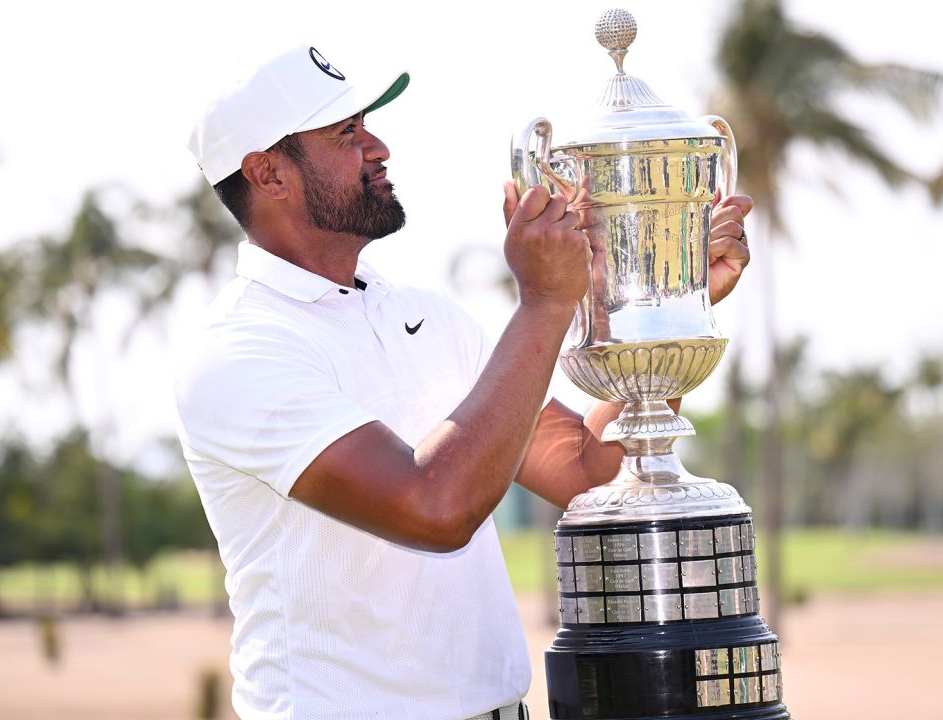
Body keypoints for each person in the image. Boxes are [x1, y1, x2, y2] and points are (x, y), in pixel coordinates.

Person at [175, 43, 753, 720]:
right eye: (346, 134)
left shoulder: (429, 318)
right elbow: (435, 507)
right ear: (268, 173)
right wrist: (544, 302)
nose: (378, 147)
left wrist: (665, 302)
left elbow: (589, 475)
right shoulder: (238, 353)